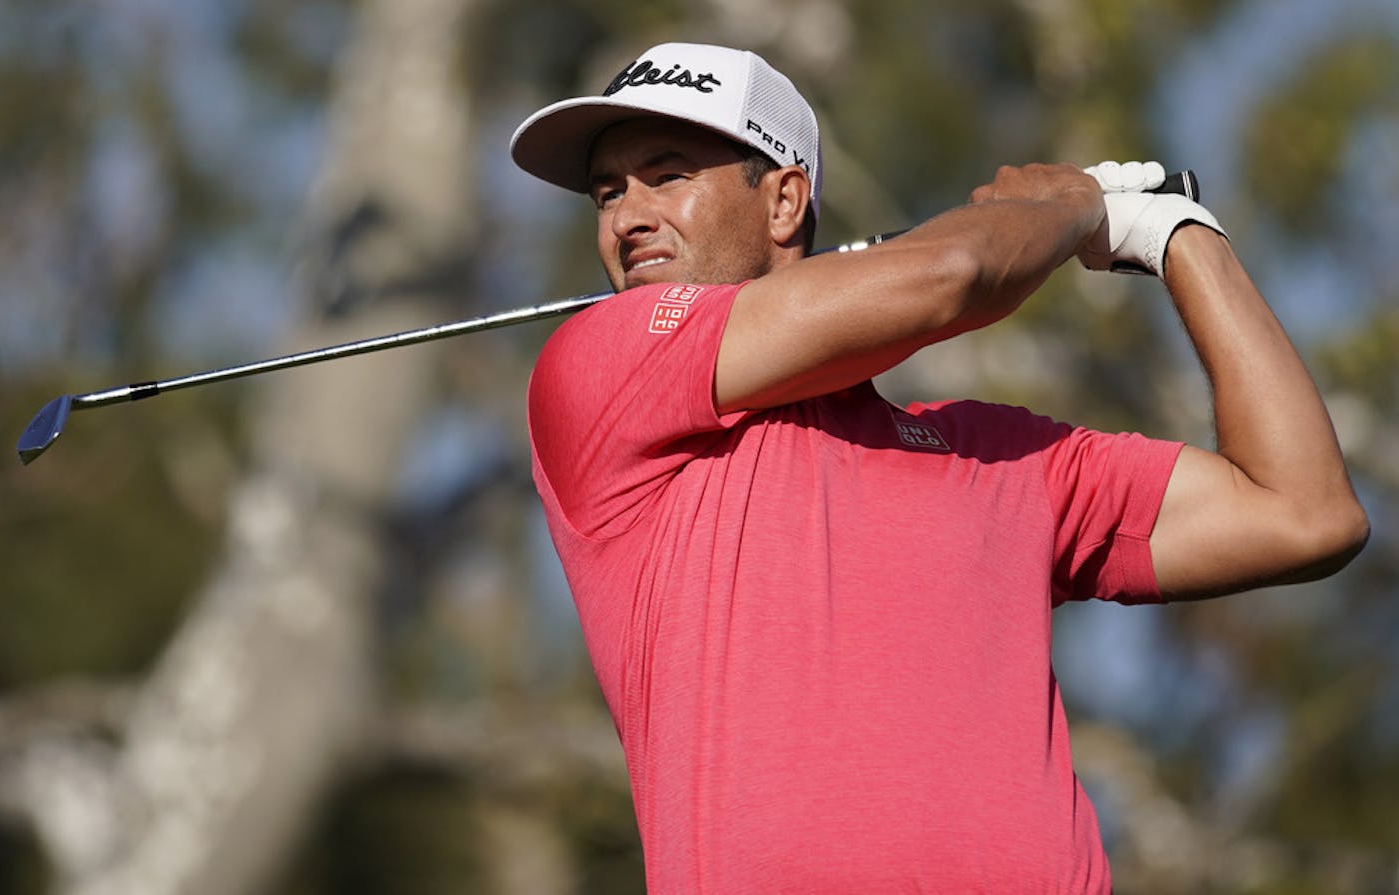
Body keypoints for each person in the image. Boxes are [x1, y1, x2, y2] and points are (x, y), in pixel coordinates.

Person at [509, 42, 1368, 892]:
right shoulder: (600, 366)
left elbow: (1305, 512)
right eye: (609, 191)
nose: (628, 217)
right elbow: (953, 274)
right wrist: (1066, 207)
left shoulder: (999, 454)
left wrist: (1179, 234)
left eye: (667, 175)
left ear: (782, 202)